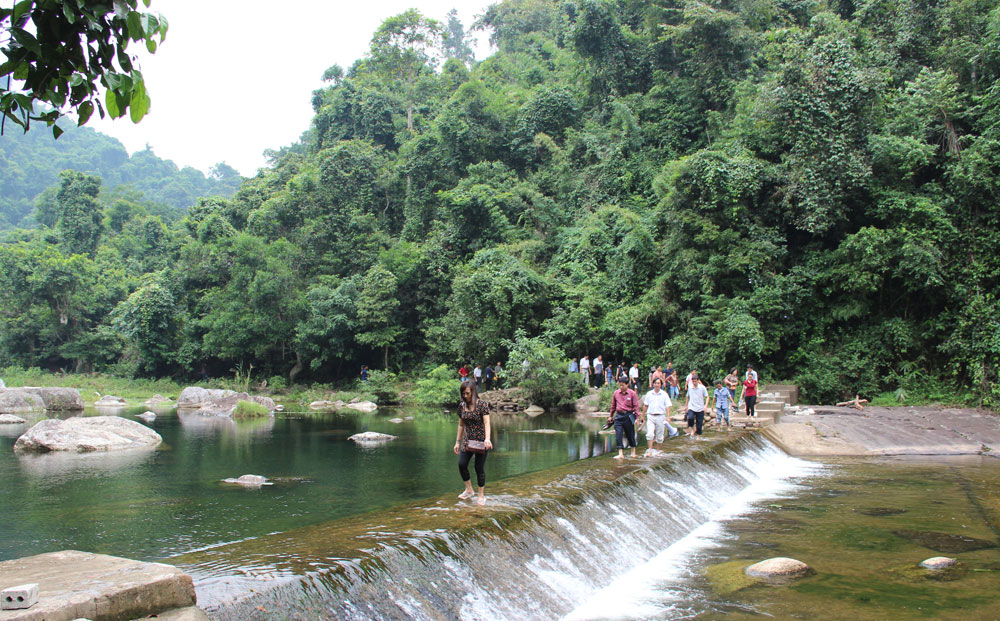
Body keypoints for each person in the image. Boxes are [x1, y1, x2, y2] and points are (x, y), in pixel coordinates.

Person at [454, 380, 493, 506]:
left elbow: (487, 423)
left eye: (467, 393)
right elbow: (461, 425)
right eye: (463, 394)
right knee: (462, 464)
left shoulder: (482, 405)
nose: (465, 396)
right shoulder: (462, 406)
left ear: (473, 392)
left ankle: (481, 495)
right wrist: (457, 442)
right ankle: (469, 490)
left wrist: (487, 439)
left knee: (478, 467)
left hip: (481, 440)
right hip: (467, 440)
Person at [640, 377, 678, 455]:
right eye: (655, 383)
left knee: (660, 435)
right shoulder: (649, 394)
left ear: (661, 385)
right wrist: (642, 416)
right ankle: (650, 450)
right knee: (650, 434)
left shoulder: (664, 394)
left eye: (658, 383)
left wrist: (668, 416)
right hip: (650, 415)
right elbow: (646, 405)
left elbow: (667, 406)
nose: (657, 385)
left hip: (660, 416)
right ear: (653, 384)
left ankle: (658, 450)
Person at [607, 378, 641, 459]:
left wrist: (637, 417)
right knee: (618, 434)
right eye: (620, 385)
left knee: (630, 434)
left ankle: (633, 452)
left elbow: (636, 406)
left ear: (627, 385)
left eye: (622, 385)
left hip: (628, 415)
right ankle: (620, 453)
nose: (621, 387)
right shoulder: (616, 393)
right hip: (619, 416)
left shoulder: (632, 393)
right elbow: (613, 406)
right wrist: (611, 416)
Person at [685, 374, 709, 439]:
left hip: (700, 408)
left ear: (698, 381)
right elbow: (687, 396)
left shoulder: (702, 387)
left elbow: (707, 397)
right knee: (690, 418)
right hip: (691, 406)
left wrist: (705, 406)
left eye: (695, 381)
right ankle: (693, 429)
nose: (694, 383)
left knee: (699, 424)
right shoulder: (690, 387)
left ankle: (699, 438)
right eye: (693, 381)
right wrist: (686, 406)